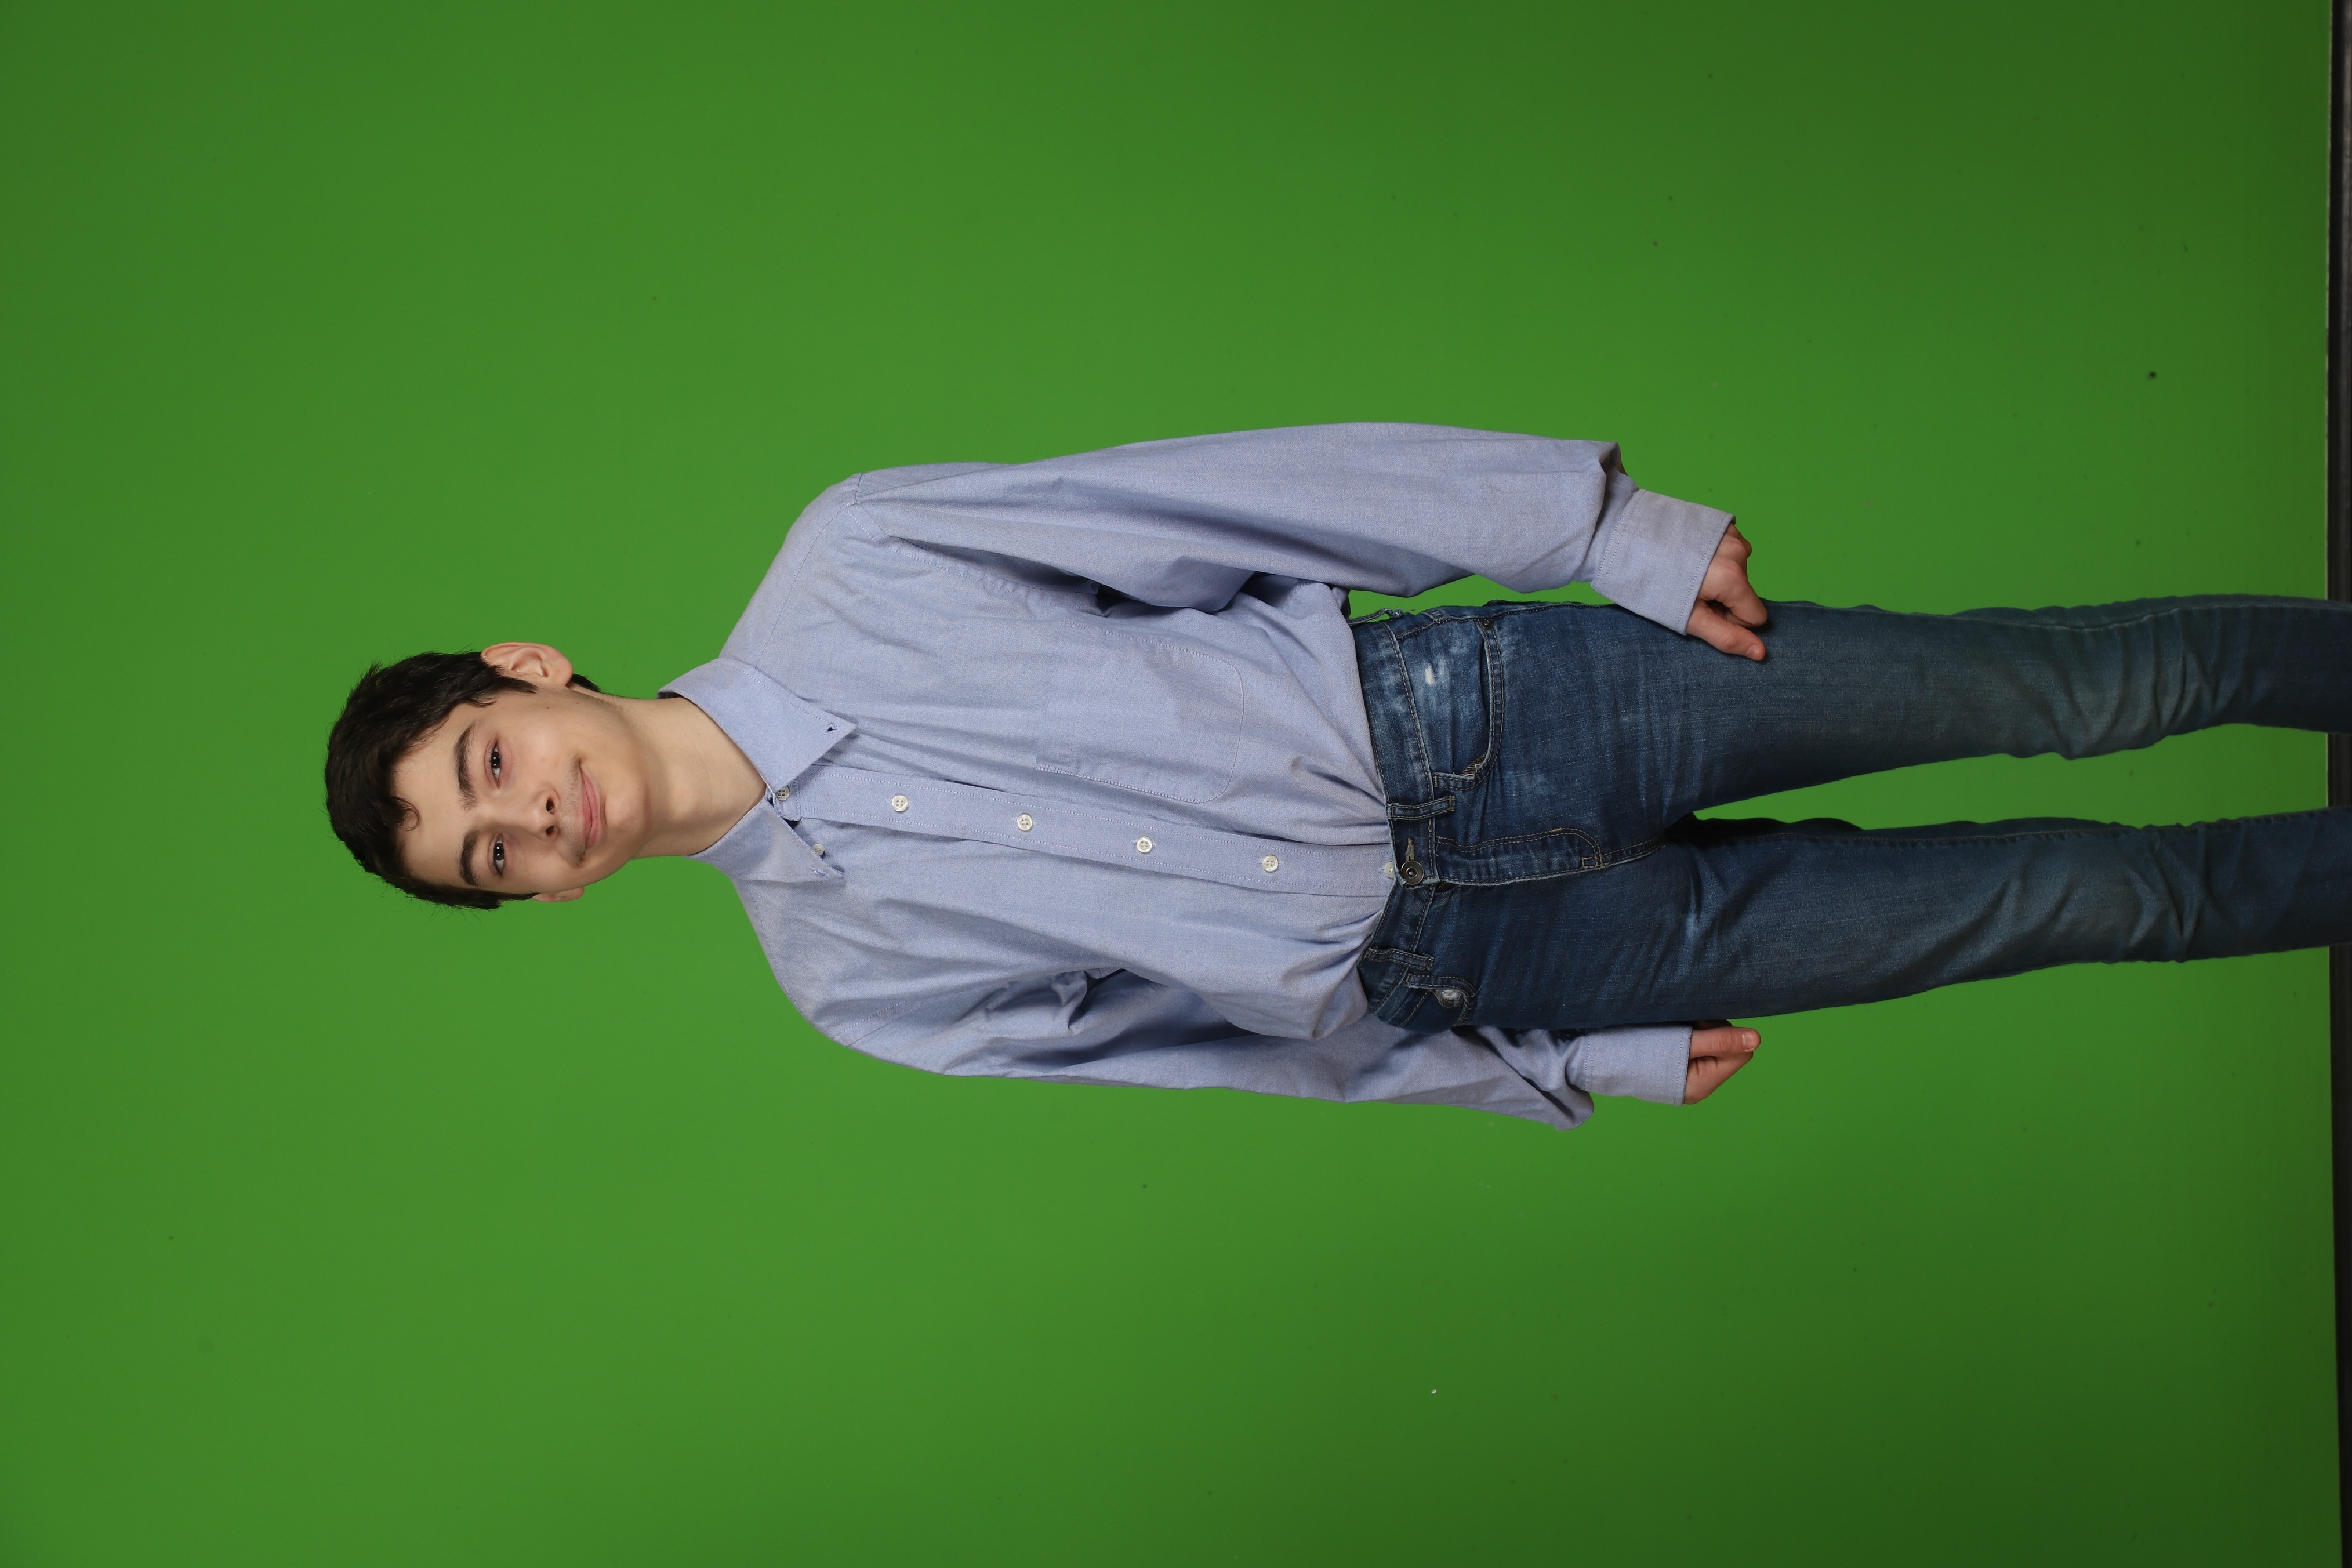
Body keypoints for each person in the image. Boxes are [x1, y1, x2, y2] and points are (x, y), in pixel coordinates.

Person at [323, 423, 2352, 1129]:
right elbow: (1237, 1057)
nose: (534, 814)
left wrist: (1589, 526)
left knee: (2074, 690)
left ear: (529, 669)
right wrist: (1559, 1064)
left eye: (493, 762)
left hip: (1516, 712)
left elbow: (1228, 498)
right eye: (494, 858)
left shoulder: (851, 558)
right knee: (2102, 899)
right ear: (544, 898)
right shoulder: (848, 987)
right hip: (1511, 963)